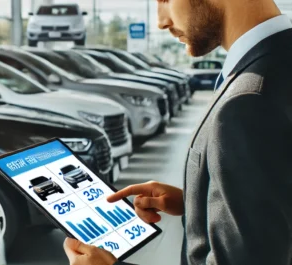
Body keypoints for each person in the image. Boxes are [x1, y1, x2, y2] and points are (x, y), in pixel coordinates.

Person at [63, 0, 292, 264]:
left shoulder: (248, 102)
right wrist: (197, 202)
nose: (161, 21)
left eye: (164, 0)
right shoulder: (278, 64)